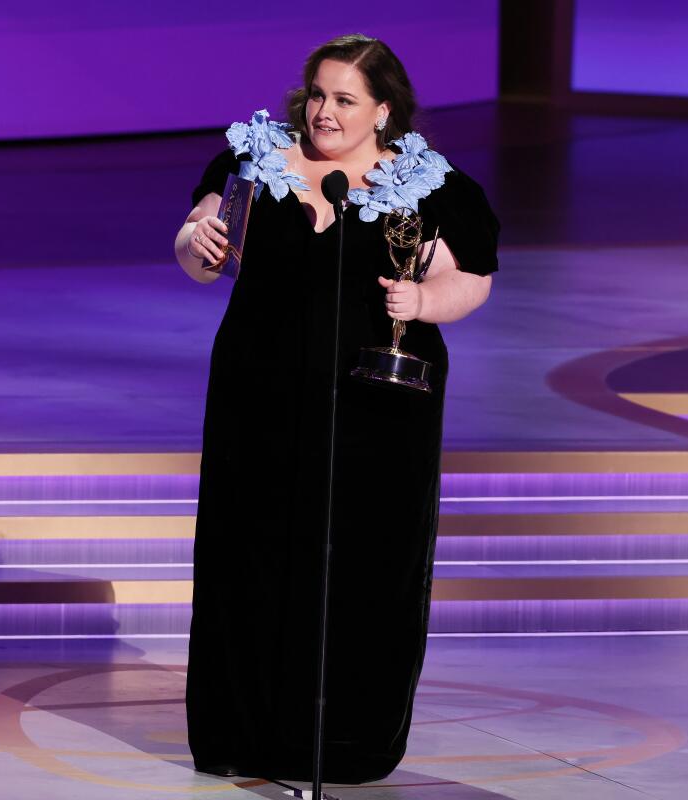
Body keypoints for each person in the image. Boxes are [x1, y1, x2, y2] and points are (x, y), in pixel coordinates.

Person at [173, 34, 499, 784]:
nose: (323, 112)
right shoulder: (254, 161)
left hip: (380, 410)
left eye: (345, 100)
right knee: (249, 552)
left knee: (365, 561)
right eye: (317, 94)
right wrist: (200, 242)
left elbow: (471, 279)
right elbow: (194, 251)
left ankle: (348, 739)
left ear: (383, 110)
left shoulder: (431, 186)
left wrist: (423, 300)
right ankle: (241, 732)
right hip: (260, 395)